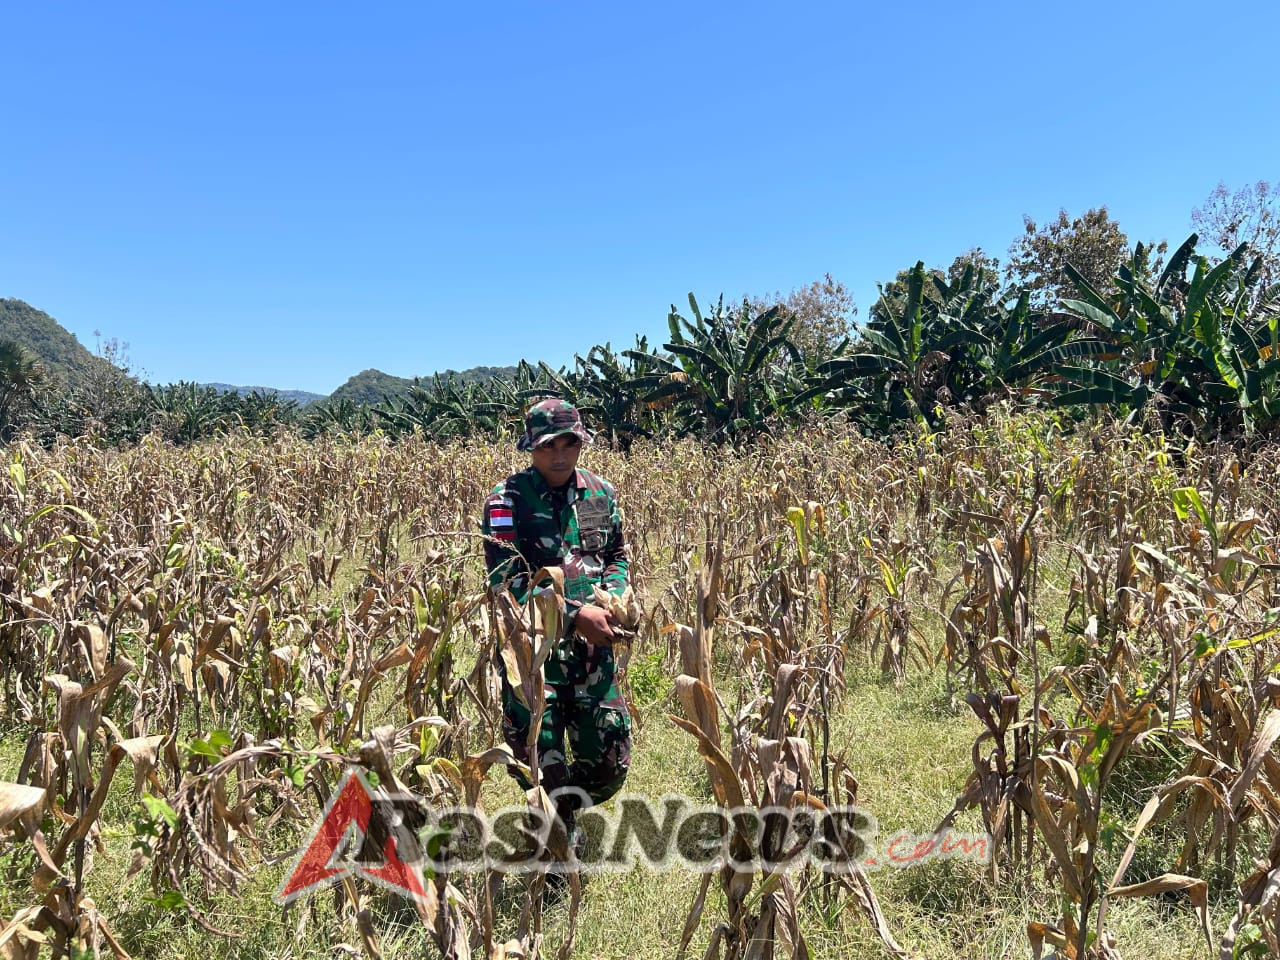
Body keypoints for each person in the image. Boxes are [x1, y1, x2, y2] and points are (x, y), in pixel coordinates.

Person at [480, 398, 632, 858]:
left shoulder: (600, 494)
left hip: (593, 654)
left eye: (570, 444)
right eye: (549, 447)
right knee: (538, 762)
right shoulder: (505, 502)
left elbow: (616, 555)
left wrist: (617, 599)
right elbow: (505, 582)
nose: (561, 455)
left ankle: (564, 818)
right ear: (531, 448)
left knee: (610, 762)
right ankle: (552, 851)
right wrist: (573, 617)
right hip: (533, 659)